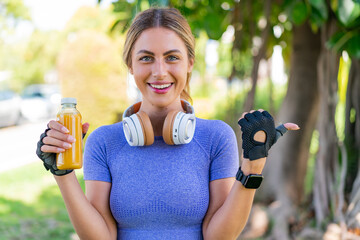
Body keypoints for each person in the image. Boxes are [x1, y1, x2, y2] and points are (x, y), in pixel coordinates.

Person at [36, 7, 299, 240]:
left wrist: (252, 167)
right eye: (146, 58)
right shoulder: (103, 142)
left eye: (172, 57)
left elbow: (219, 236)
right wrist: (64, 174)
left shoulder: (216, 137)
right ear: (130, 65)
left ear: (190, 63)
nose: (159, 71)